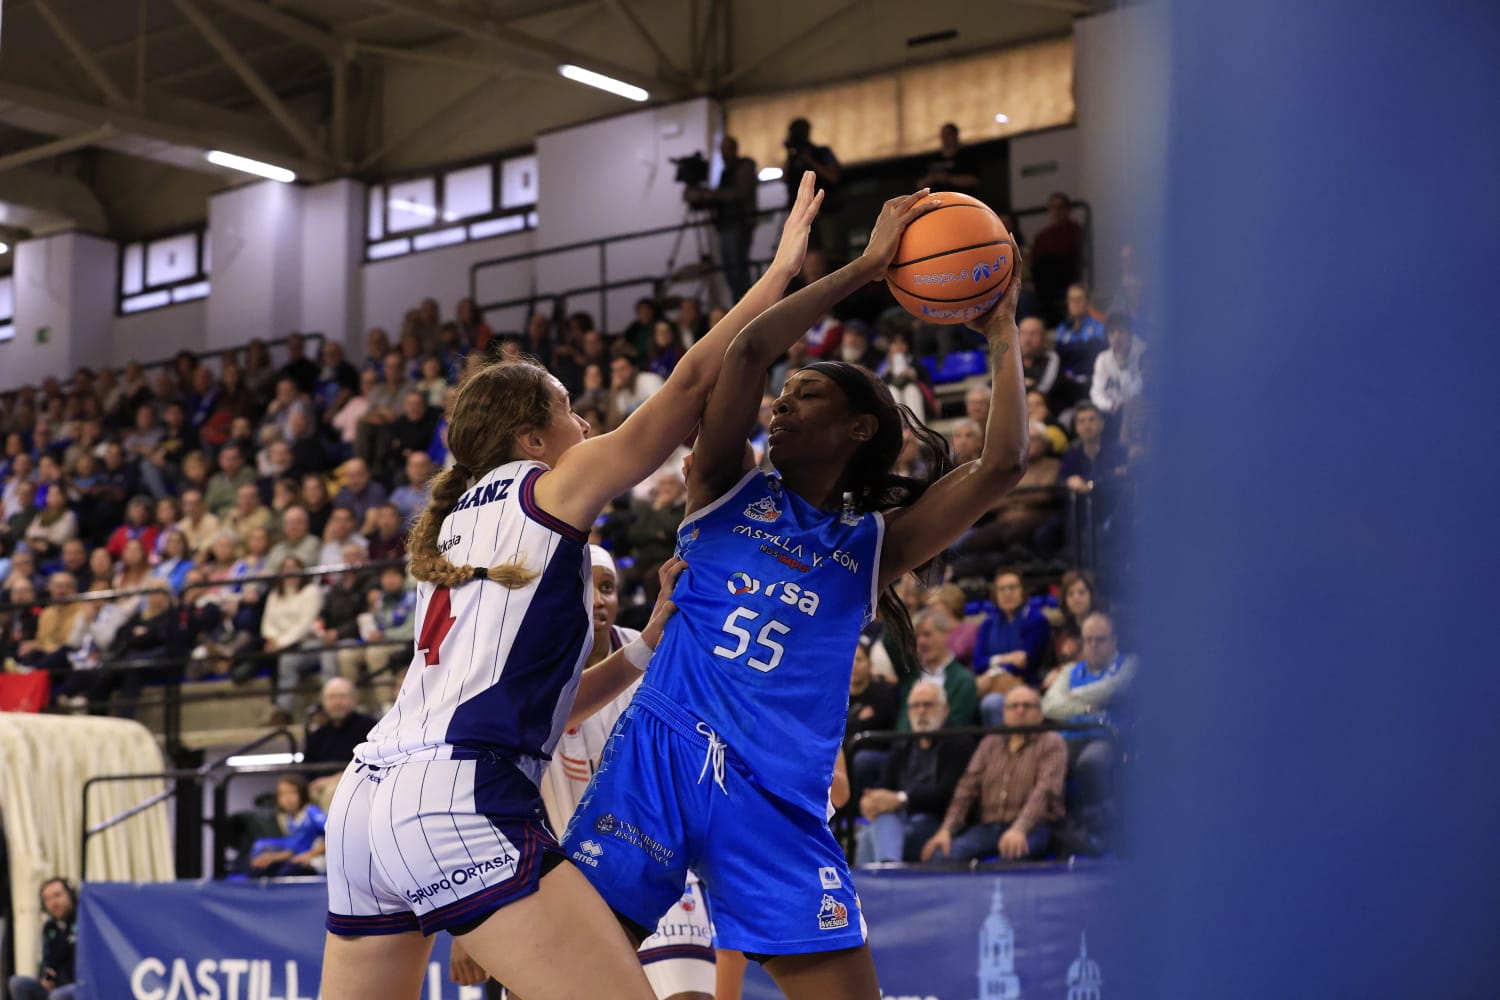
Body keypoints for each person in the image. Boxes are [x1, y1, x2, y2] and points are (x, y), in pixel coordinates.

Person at [317, 173, 825, 1000]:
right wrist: (774, 279)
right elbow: (694, 385)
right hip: (458, 800)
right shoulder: (548, 485)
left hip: (366, 806)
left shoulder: (446, 529)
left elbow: (533, 700)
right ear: (531, 436)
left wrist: (646, 646)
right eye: (569, 412)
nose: (586, 427)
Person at [563, 188, 1027, 999]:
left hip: (775, 799)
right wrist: (867, 268)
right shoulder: (722, 483)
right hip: (660, 755)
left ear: (857, 429)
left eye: (807, 395)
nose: (781, 403)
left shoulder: (873, 547)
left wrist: (1000, 333)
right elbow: (744, 355)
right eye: (789, 392)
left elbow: (1001, 468)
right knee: (550, 976)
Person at [920, 685, 1064, 862]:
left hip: (1036, 826)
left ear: (1040, 714)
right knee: (942, 856)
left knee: (1011, 857)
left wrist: (1020, 828)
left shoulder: (1052, 742)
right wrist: (946, 830)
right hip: (988, 827)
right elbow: (966, 788)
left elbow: (1045, 791)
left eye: (1027, 706)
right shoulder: (990, 743)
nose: (1020, 711)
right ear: (1004, 713)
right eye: (1013, 706)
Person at [855, 680, 972, 865]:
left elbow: (946, 795)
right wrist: (872, 800)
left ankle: (880, 881)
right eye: (915, 706)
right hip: (901, 819)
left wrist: (900, 799)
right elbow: (885, 784)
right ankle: (887, 871)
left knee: (874, 831)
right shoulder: (904, 742)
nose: (921, 711)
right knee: (873, 827)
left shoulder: (959, 743)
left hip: (936, 821)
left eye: (928, 705)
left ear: (945, 709)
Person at [692, 135, 759, 302]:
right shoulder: (725, 172)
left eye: (727, 149)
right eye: (722, 150)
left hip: (739, 223)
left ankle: (746, 303)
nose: (724, 153)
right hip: (725, 225)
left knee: (737, 268)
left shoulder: (745, 166)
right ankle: (740, 303)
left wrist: (713, 194)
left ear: (735, 149)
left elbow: (740, 192)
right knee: (729, 270)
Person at [895, 608, 980, 730]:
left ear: (947, 635)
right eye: (916, 636)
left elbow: (957, 726)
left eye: (927, 634)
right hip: (904, 746)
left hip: (944, 746)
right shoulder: (909, 675)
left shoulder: (963, 680)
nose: (921, 641)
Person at [782, 118, 845, 258]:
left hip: (826, 209)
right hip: (802, 212)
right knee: (806, 253)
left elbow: (833, 176)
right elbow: (784, 179)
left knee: (831, 251)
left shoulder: (821, 152)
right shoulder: (793, 158)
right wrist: (790, 156)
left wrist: (810, 161)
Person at [7, 878, 77, 1000]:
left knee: (57, 996)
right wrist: (47, 976)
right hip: (57, 983)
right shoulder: (49, 927)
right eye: (47, 899)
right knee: (17, 983)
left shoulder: (83, 919)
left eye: (57, 895)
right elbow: (48, 959)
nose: (53, 903)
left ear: (70, 895)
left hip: (78, 983)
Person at [246, 775, 327, 877]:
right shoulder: (290, 820)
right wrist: (271, 858)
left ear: (302, 794)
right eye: (283, 794)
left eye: (292, 792)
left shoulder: (311, 812)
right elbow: (293, 850)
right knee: (258, 870)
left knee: (286, 872)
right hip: (296, 859)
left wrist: (311, 854)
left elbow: (333, 835)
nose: (287, 798)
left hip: (315, 861)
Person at [916, 123, 981, 196]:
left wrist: (947, 178)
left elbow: (973, 181)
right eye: (943, 135)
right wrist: (932, 178)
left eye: (948, 134)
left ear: (955, 135)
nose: (945, 138)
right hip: (936, 201)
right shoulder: (932, 159)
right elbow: (919, 185)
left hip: (960, 199)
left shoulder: (966, 157)